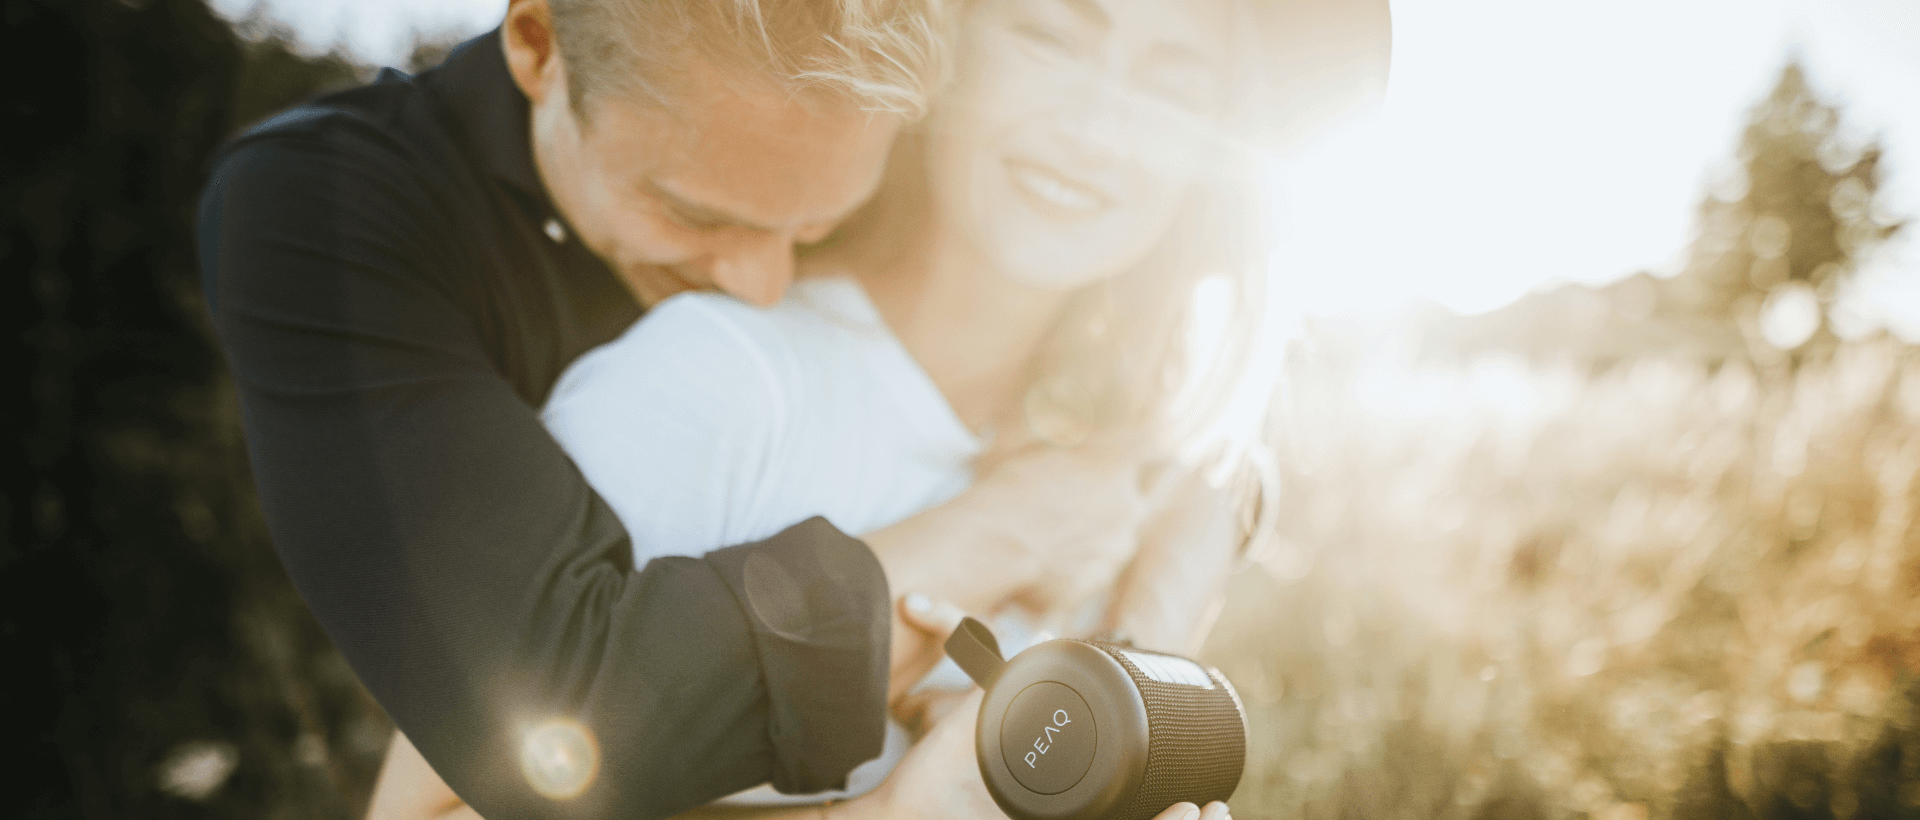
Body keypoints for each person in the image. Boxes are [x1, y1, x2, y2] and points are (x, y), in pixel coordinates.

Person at [357, 0, 1391, 818]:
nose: (1104, 123)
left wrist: (1132, 656)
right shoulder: (714, 383)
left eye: (1177, 85)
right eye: (1049, 34)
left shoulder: (1136, 462)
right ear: (943, 53)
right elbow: (429, 810)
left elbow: (1226, 458)